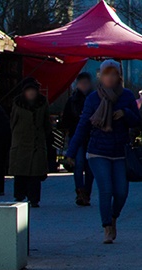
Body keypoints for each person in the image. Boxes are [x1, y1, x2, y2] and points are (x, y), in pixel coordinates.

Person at [66, 60, 141, 244]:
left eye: (114, 73)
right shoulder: (93, 98)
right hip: (98, 152)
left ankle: (114, 217)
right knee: (106, 189)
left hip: (120, 151)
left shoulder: (127, 96)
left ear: (119, 76)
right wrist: (71, 152)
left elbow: (137, 122)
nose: (110, 77)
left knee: (122, 192)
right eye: (106, 73)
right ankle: (107, 226)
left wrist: (125, 113)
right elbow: (83, 126)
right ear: (101, 76)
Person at [9, 78, 51, 208]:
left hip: (37, 143)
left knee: (35, 174)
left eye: (33, 91)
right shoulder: (18, 103)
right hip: (21, 142)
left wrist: (47, 137)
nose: (31, 93)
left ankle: (34, 199)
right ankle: (19, 196)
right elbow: (13, 121)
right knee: (20, 172)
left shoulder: (42, 103)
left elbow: (46, 122)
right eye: (29, 91)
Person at [61, 73, 95, 206]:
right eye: (82, 83)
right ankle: (80, 192)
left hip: (91, 137)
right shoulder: (72, 100)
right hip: (77, 136)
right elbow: (66, 120)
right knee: (79, 164)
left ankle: (87, 193)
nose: (84, 85)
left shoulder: (95, 99)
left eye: (86, 83)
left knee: (90, 167)